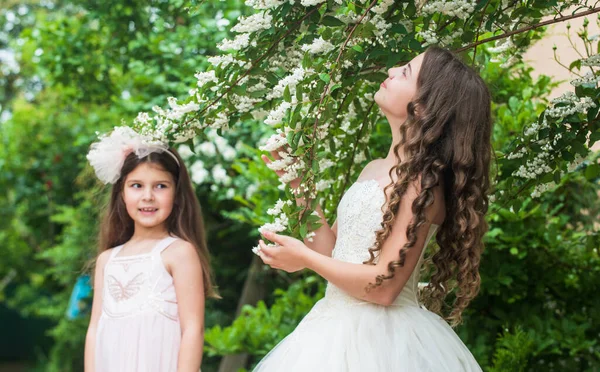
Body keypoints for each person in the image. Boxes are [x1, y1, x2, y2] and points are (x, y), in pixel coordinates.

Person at [254, 46, 491, 371]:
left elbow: (384, 288)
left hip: (384, 343)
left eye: (405, 72)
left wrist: (305, 259)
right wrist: (299, 185)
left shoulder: (423, 185)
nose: (391, 71)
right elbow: (333, 251)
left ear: (422, 107)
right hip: (330, 330)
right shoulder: (373, 168)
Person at [83, 127, 218, 372]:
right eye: (136, 185)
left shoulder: (179, 252)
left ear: (176, 193)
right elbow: (95, 330)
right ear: (121, 193)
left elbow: (192, 329)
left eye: (160, 186)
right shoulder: (107, 260)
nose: (148, 196)